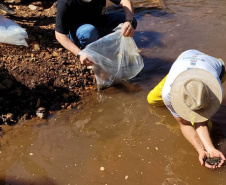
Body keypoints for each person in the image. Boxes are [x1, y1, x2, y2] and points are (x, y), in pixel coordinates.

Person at [147, 49, 226, 169]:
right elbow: (184, 123)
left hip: (214, 66)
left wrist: (209, 148)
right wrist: (200, 149)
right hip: (187, 56)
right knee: (152, 99)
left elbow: (201, 120)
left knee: (202, 123)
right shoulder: (168, 94)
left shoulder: (216, 90)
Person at [55, 0, 137, 66]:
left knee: (131, 22)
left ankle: (113, 47)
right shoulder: (65, 2)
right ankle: (87, 49)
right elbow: (59, 34)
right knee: (89, 32)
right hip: (79, 31)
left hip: (98, 21)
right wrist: (79, 53)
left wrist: (128, 21)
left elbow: (125, 1)